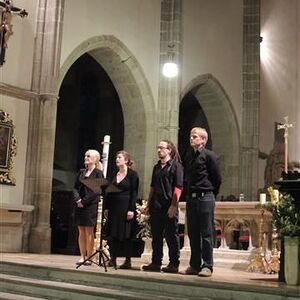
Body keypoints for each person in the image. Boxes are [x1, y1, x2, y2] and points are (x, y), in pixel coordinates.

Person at [184, 127, 221, 277]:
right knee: (193, 232)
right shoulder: (189, 155)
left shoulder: (210, 156)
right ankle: (194, 264)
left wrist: (211, 193)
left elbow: (217, 178)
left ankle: (207, 265)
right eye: (191, 136)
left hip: (205, 196)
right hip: (191, 197)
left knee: (206, 233)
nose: (191, 139)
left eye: (195, 137)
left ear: (203, 140)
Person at [142, 140, 183, 273]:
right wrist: (148, 205)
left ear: (169, 150)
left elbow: (178, 186)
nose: (159, 150)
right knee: (156, 237)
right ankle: (156, 262)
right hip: (156, 206)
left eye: (161, 148)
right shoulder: (156, 167)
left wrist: (173, 205)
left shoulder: (176, 166)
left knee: (171, 236)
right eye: (158, 148)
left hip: (168, 206)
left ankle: (174, 263)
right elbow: (152, 187)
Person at [104, 150, 139, 269]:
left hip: (126, 206)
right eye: (116, 157)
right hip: (114, 207)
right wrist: (107, 207)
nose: (117, 159)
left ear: (126, 160)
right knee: (113, 233)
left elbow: (134, 193)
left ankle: (127, 260)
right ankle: (113, 259)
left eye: (119, 157)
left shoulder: (132, 175)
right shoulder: (114, 174)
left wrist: (131, 209)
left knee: (126, 234)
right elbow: (109, 191)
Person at [73, 149, 103, 266]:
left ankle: (89, 257)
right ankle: (82, 256)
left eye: (88, 156)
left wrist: (84, 201)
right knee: (81, 230)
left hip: (90, 205)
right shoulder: (81, 172)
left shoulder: (98, 173)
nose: (86, 157)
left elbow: (96, 191)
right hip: (79, 204)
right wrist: (77, 199)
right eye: (85, 155)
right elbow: (75, 187)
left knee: (89, 231)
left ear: (95, 159)